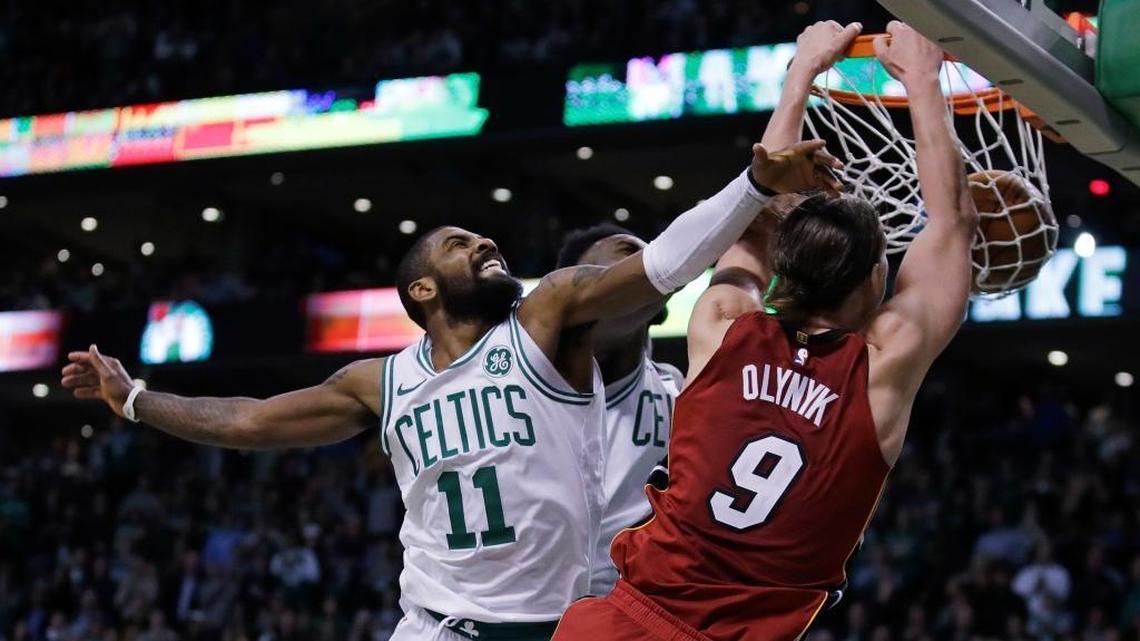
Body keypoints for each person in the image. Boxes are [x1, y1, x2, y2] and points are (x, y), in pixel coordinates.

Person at [62, 138, 842, 640]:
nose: (484, 240)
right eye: (459, 244)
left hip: (573, 621)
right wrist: (134, 399)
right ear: (424, 292)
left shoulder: (545, 322)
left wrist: (750, 186)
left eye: (483, 234)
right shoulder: (383, 379)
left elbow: (665, 265)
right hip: (444, 626)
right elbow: (249, 419)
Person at [553, 20, 980, 641]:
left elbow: (754, 214)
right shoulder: (880, 370)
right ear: (871, 282)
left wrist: (800, 73)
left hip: (618, 622)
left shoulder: (722, 326)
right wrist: (920, 78)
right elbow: (951, 224)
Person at [556, 225, 684, 596]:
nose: (642, 266)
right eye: (626, 253)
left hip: (634, 604)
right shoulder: (546, 367)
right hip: (539, 606)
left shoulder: (675, 388)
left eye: (647, 255)